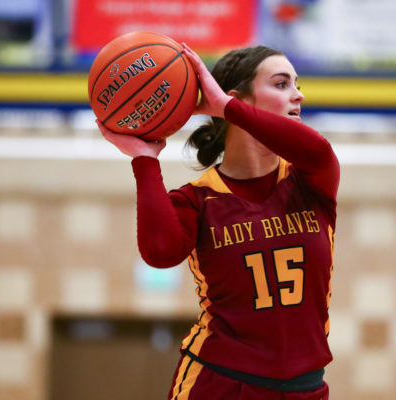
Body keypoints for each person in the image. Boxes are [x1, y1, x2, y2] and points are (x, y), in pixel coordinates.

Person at [97, 42, 340, 400]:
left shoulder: (310, 177)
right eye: (281, 84)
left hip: (306, 389)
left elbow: (316, 148)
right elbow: (159, 253)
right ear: (236, 98)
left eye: (297, 84)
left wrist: (227, 109)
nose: (298, 95)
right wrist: (145, 160)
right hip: (221, 385)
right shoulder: (197, 200)